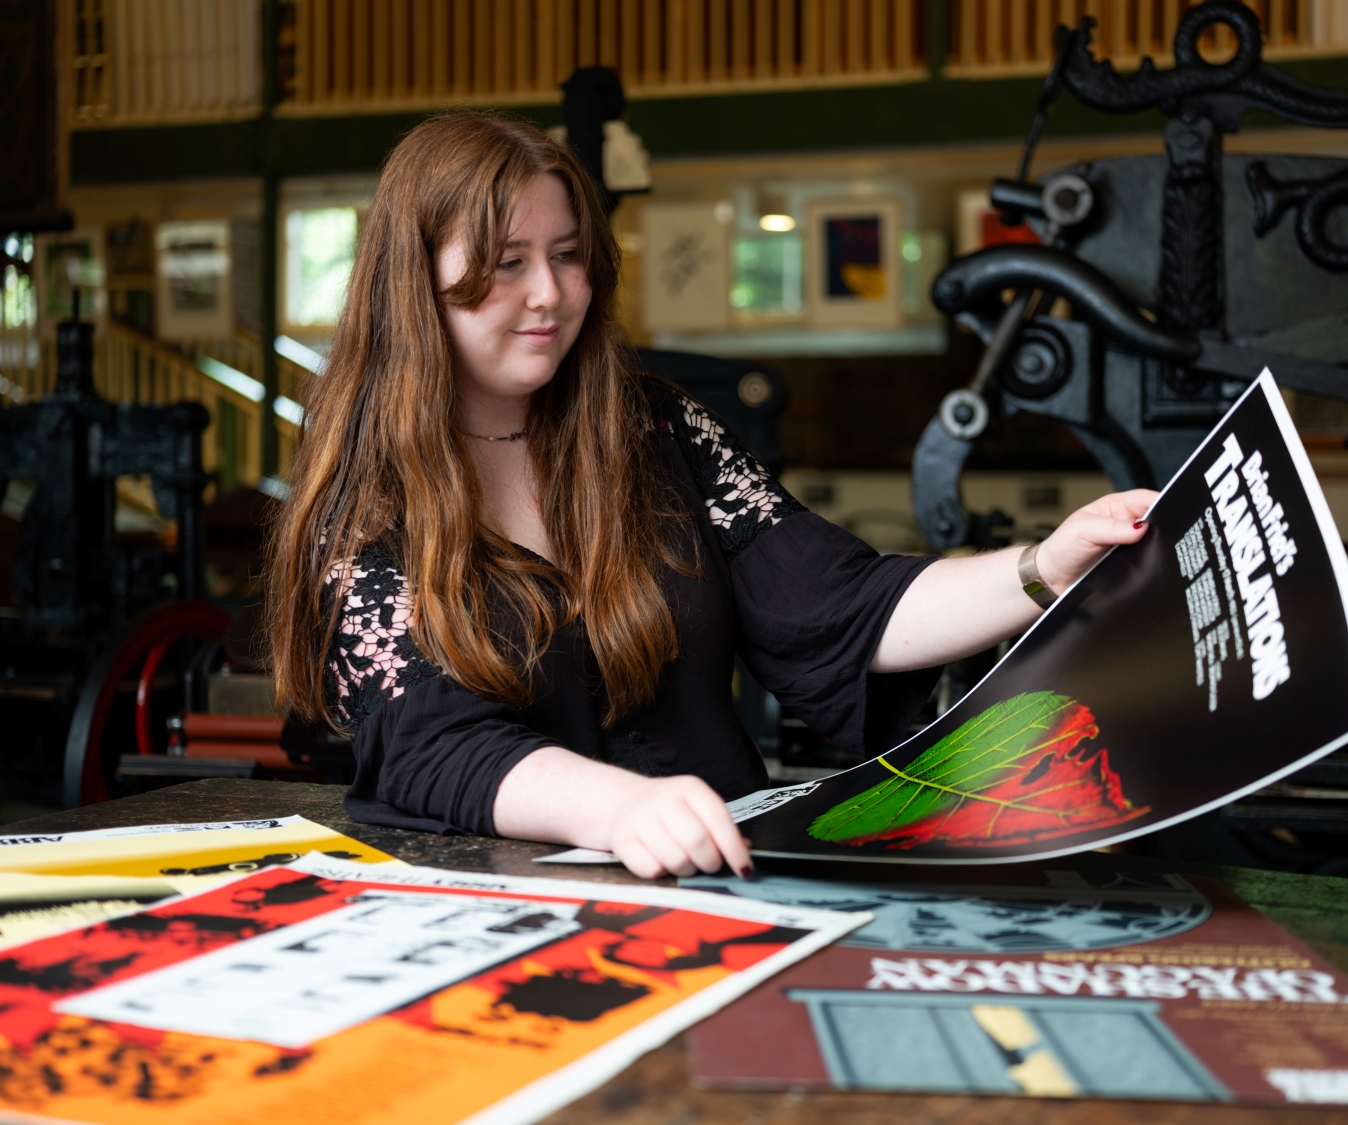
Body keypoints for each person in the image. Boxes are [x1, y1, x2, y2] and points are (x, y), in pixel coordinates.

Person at [267, 113, 1154, 881]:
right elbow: (431, 742)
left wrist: (1046, 564)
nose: (549, 294)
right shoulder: (364, 498)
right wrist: (619, 808)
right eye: (506, 263)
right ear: (415, 284)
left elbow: (841, 604)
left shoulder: (655, 430)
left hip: (721, 877)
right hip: (497, 914)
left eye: (568, 255)